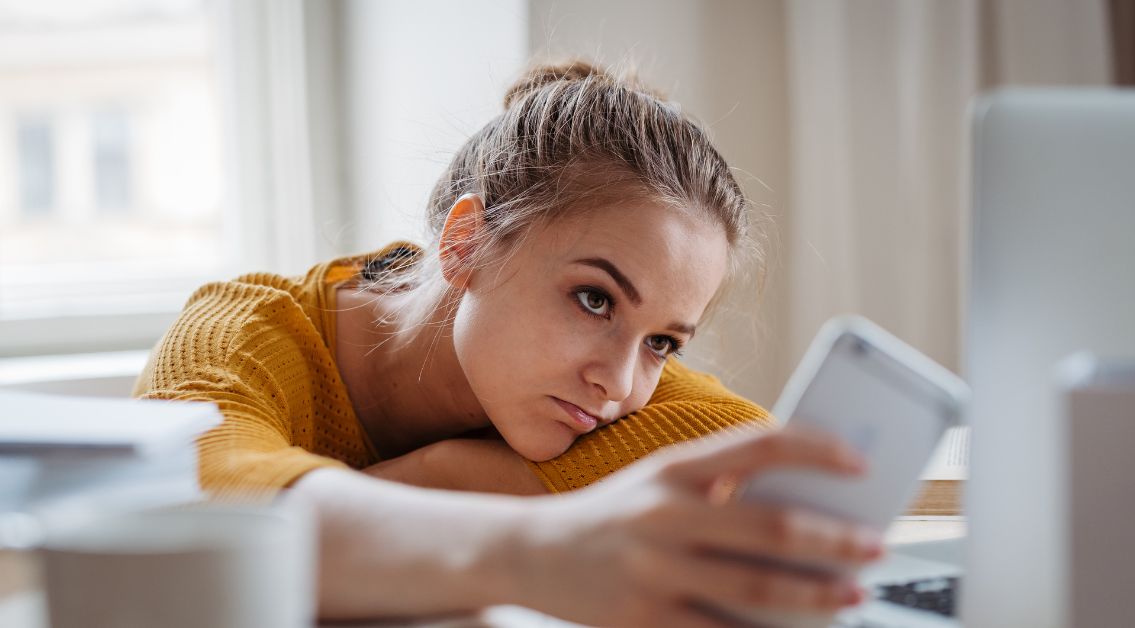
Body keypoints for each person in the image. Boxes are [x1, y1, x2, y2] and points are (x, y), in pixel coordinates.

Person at [135, 60, 883, 626]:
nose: (618, 384)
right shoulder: (238, 334)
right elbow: (198, 516)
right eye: (594, 299)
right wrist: (538, 543)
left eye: (662, 342)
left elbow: (743, 447)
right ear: (464, 244)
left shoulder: (578, 381)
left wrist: (448, 472)